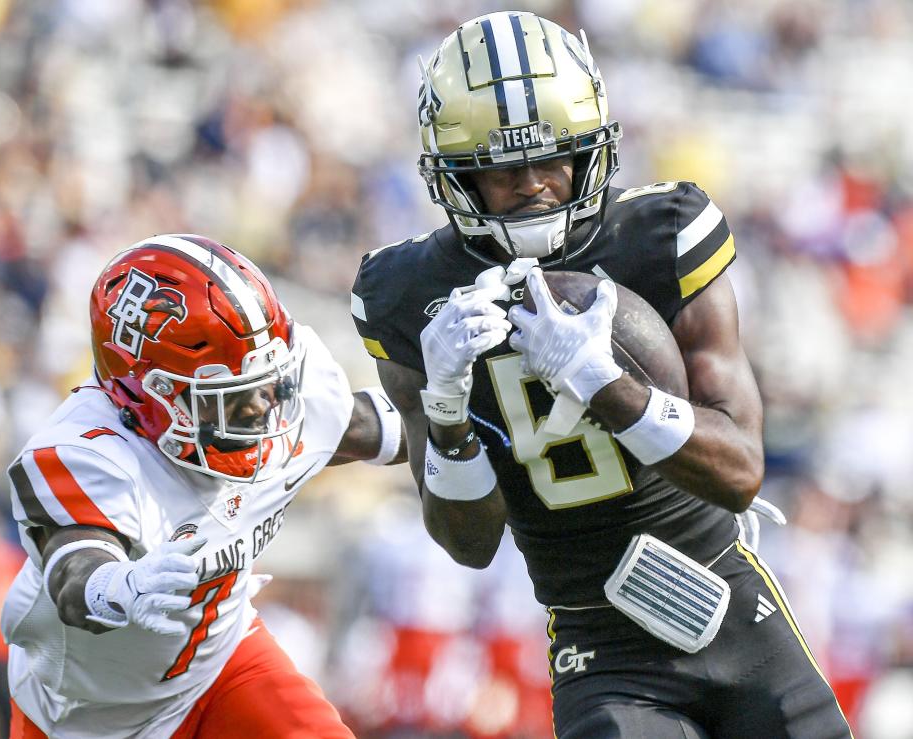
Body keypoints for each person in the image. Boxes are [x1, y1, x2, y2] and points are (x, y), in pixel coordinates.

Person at [351, 11, 853, 738]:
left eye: (555, 159)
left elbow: (741, 467)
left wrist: (601, 380)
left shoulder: (659, 236)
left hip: (731, 600)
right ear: (453, 174)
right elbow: (469, 542)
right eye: (501, 169)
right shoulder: (406, 295)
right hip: (599, 642)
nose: (533, 187)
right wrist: (449, 410)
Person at [2, 234, 406, 738]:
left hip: (223, 665)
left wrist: (462, 398)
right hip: (83, 716)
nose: (262, 409)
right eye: (229, 398)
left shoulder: (278, 400)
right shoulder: (88, 453)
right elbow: (74, 571)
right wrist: (116, 588)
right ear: (152, 392)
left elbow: (380, 428)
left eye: (266, 385)